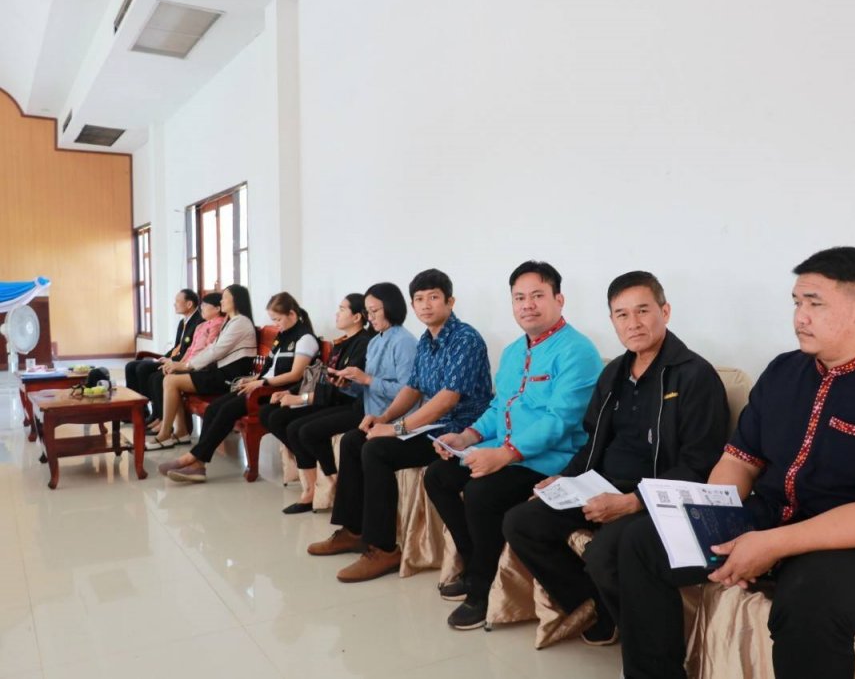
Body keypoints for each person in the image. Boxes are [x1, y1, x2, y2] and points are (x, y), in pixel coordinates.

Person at [616, 247, 855, 679]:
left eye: (815, 304)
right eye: (796, 303)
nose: (800, 317)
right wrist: (711, 520)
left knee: (810, 598)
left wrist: (772, 545)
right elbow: (740, 461)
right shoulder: (782, 372)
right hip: (770, 517)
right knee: (642, 541)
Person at [503, 271, 728, 646]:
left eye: (643, 310)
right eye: (622, 314)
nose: (633, 323)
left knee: (606, 550)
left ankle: (647, 645)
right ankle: (596, 608)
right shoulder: (614, 374)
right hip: (600, 484)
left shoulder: (694, 376)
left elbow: (699, 465)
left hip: (656, 496)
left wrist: (633, 502)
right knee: (522, 521)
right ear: (612, 321)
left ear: (665, 312)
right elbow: (593, 441)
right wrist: (565, 479)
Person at [425, 261, 603, 630]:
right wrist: (468, 436)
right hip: (506, 451)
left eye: (537, 296)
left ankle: (482, 589)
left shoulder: (578, 351)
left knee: (482, 493)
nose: (527, 305)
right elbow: (498, 407)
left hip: (552, 460)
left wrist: (504, 455)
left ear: (559, 299)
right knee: (438, 475)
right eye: (519, 298)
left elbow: (560, 421)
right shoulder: (511, 352)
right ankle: (475, 562)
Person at [306, 269, 492, 584]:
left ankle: (383, 549)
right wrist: (384, 419)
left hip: (459, 431)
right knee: (354, 440)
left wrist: (397, 428)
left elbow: (447, 400)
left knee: (376, 450)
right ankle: (354, 530)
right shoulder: (426, 341)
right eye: (419, 299)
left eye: (434, 297)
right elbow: (413, 388)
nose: (426, 305)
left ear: (450, 301)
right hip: (434, 425)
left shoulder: (465, 339)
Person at [156, 291, 320, 483]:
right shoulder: (283, 336)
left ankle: (193, 459)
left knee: (227, 410)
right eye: (273, 320)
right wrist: (252, 379)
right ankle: (198, 464)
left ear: (292, 314)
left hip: (276, 392)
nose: (276, 325)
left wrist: (262, 382)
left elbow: (295, 375)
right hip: (261, 386)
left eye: (278, 319)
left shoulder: (305, 339)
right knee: (214, 408)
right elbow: (270, 369)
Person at [301, 283, 417, 529]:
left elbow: (409, 392)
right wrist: (347, 384)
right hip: (371, 415)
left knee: (354, 442)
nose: (369, 317)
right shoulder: (375, 342)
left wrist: (367, 379)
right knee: (349, 441)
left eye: (374, 311)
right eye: (367, 312)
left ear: (391, 308)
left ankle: (358, 527)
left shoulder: (404, 342)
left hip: (397, 420)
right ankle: (349, 527)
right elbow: (366, 387)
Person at [259, 293, 373, 513]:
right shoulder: (342, 343)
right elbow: (320, 376)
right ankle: (312, 484)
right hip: (329, 398)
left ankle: (326, 484)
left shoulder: (364, 344)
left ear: (357, 317)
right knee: (273, 415)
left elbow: (342, 389)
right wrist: (289, 392)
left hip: (348, 404)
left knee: (299, 429)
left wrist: (302, 398)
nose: (337, 314)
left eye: (342, 309)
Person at [147, 284, 258, 448]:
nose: (222, 301)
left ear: (236, 300)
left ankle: (165, 435)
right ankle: (181, 432)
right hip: (220, 372)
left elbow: (215, 350)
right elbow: (212, 349)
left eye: (225, 298)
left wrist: (187, 366)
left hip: (229, 378)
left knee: (171, 381)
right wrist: (183, 365)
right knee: (171, 378)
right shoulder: (232, 321)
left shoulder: (240, 322)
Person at [145, 292, 226, 435]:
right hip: (190, 364)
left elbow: (209, 350)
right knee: (160, 374)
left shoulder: (218, 324)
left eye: (205, 305)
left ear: (217, 308)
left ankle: (166, 424)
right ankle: (170, 423)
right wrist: (176, 365)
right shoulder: (202, 325)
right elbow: (190, 349)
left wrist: (184, 366)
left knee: (162, 378)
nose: (201, 308)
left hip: (200, 367)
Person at [123, 289, 201, 418]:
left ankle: (155, 413)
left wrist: (171, 360)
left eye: (177, 301)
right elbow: (177, 346)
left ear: (189, 304)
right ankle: (138, 410)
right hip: (174, 358)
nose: (174, 304)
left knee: (144, 368)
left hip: (182, 362)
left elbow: (190, 351)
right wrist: (164, 357)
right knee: (131, 366)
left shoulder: (199, 322)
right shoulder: (183, 322)